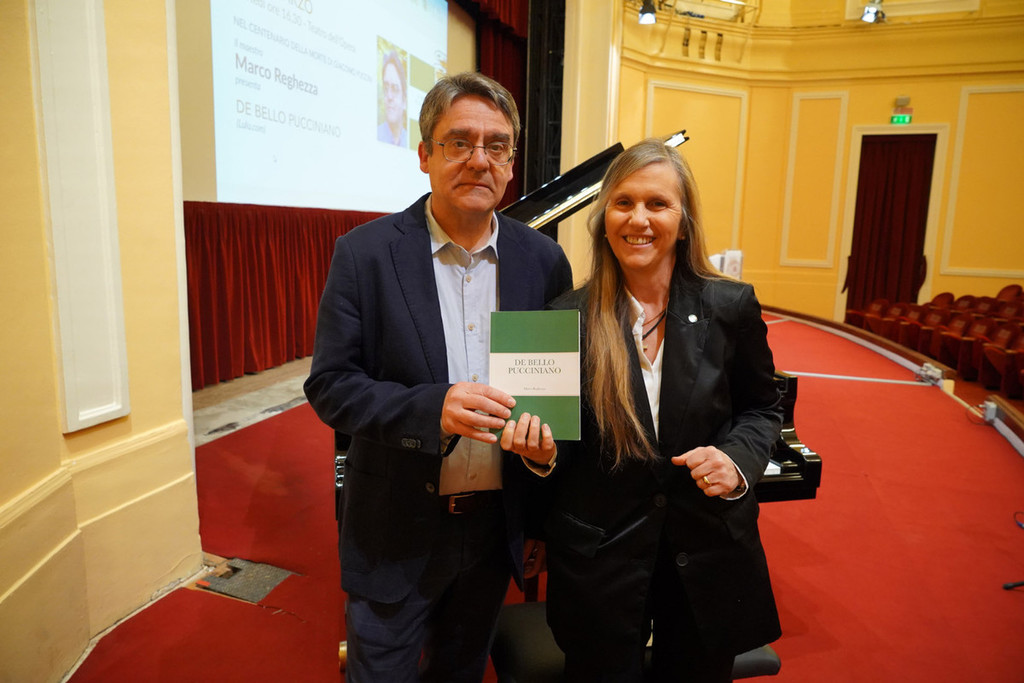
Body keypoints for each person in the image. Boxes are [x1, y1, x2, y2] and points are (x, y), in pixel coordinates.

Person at [304, 71, 573, 683]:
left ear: (511, 163)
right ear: (425, 154)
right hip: (393, 526)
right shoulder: (365, 254)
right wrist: (433, 410)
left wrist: (539, 508)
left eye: (497, 146)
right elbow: (331, 385)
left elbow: (554, 396)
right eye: (459, 142)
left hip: (493, 531)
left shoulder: (544, 261)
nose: (479, 160)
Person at [501, 138, 783, 682]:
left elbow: (762, 407)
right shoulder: (561, 318)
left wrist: (736, 461)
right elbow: (556, 450)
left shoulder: (730, 306)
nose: (638, 219)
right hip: (599, 564)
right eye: (623, 202)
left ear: (684, 220)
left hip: (705, 553)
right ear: (604, 219)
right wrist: (538, 457)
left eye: (658, 203)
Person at [377, 50, 408, 146]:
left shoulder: (408, 141)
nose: (389, 96)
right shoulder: (376, 134)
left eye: (395, 89)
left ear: (404, 101)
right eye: (386, 88)